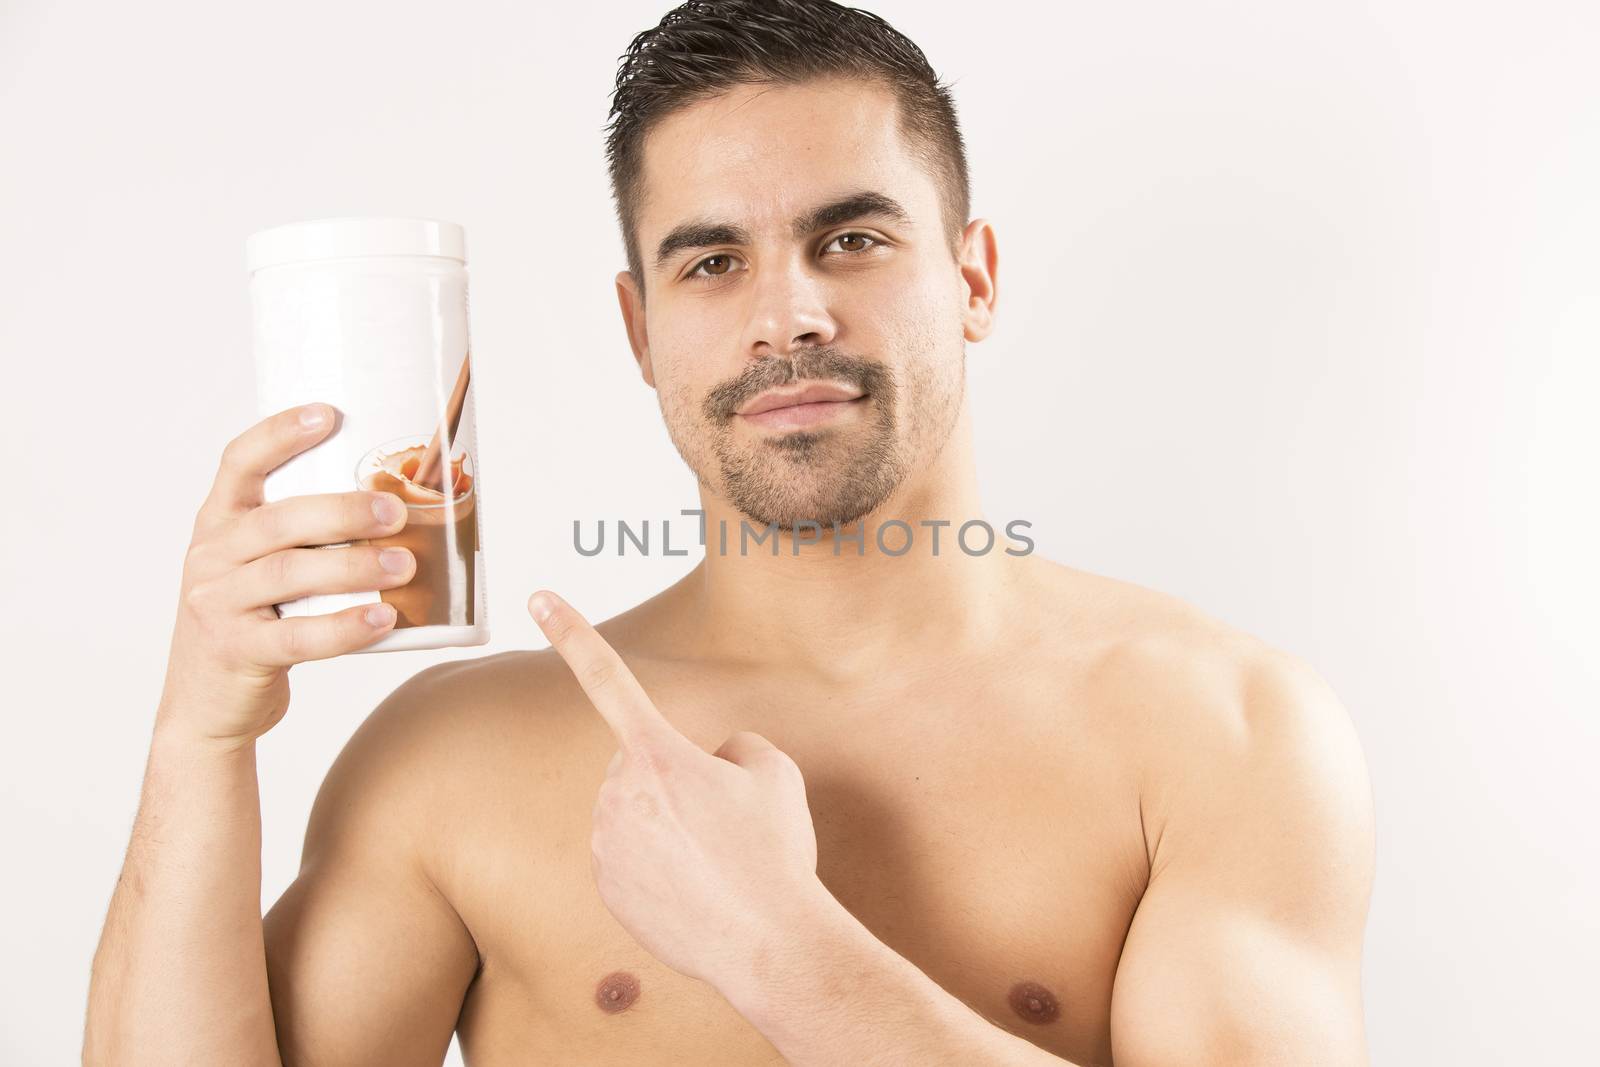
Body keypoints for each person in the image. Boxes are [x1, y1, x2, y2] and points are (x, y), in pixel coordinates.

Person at [83, 1, 1375, 1064]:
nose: (789, 314)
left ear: (971, 276)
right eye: (712, 263)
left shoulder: (1220, 727)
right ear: (642, 330)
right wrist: (200, 731)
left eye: (852, 238)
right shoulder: (458, 759)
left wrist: (783, 952)